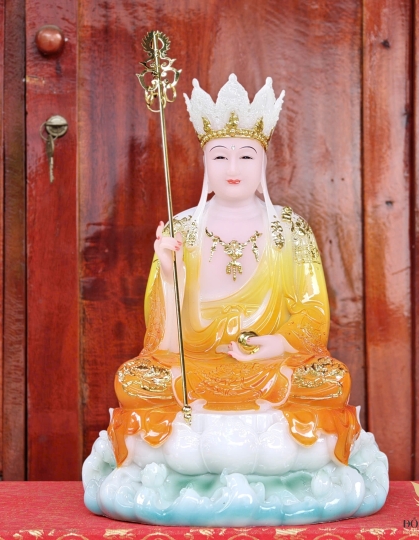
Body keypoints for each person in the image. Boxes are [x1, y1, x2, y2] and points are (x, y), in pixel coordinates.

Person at [107, 74, 360, 470]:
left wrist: (278, 343)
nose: (232, 167)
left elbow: (313, 314)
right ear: (205, 163)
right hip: (195, 367)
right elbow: (164, 345)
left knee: (330, 378)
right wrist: (171, 278)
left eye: (246, 156)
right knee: (134, 380)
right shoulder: (180, 229)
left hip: (269, 367)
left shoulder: (290, 229)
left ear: (263, 162)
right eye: (220, 156)